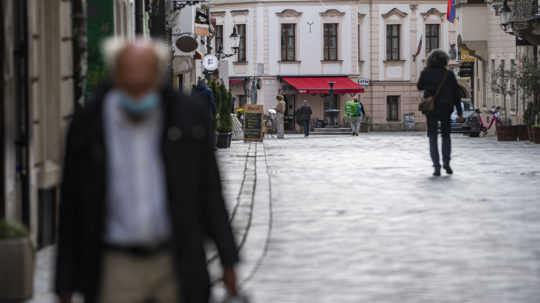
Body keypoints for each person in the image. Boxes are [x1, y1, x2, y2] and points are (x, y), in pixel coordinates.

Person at [55, 38, 239, 303]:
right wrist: (65, 284)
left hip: (175, 259)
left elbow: (209, 192)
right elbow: (72, 205)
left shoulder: (187, 117)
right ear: (116, 77)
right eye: (130, 86)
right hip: (114, 263)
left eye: (145, 85)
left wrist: (228, 261)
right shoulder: (89, 124)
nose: (138, 95)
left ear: (158, 78)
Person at [417, 49, 463, 176]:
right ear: (445, 61)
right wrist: (459, 112)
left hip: (431, 109)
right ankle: (447, 162)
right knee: (446, 135)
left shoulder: (426, 72)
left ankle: (436, 166)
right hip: (446, 108)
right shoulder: (448, 74)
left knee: (432, 136)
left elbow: (419, 86)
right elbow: (456, 94)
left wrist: (429, 86)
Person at [191, 78, 217, 148]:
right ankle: (210, 146)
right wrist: (215, 113)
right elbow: (212, 102)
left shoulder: (194, 91)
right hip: (207, 114)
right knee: (209, 131)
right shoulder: (208, 91)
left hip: (196, 114)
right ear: (205, 83)